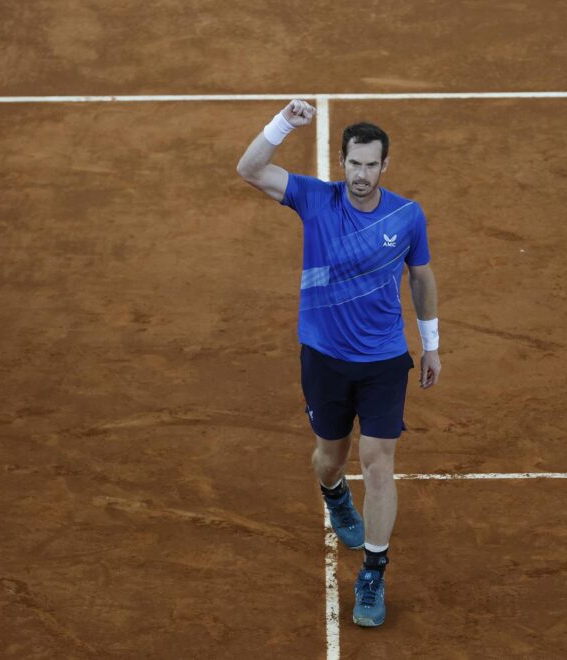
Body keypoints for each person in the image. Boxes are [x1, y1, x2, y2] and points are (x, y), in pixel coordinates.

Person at [236, 99, 441, 627]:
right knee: (330, 457)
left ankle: (374, 570)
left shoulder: (407, 215)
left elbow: (420, 278)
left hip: (383, 361)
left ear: (384, 166)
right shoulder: (316, 199)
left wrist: (431, 343)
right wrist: (282, 123)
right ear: (341, 162)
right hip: (324, 360)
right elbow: (250, 168)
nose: (362, 174)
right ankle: (333, 495)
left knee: (377, 462)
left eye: (373, 165)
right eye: (354, 163)